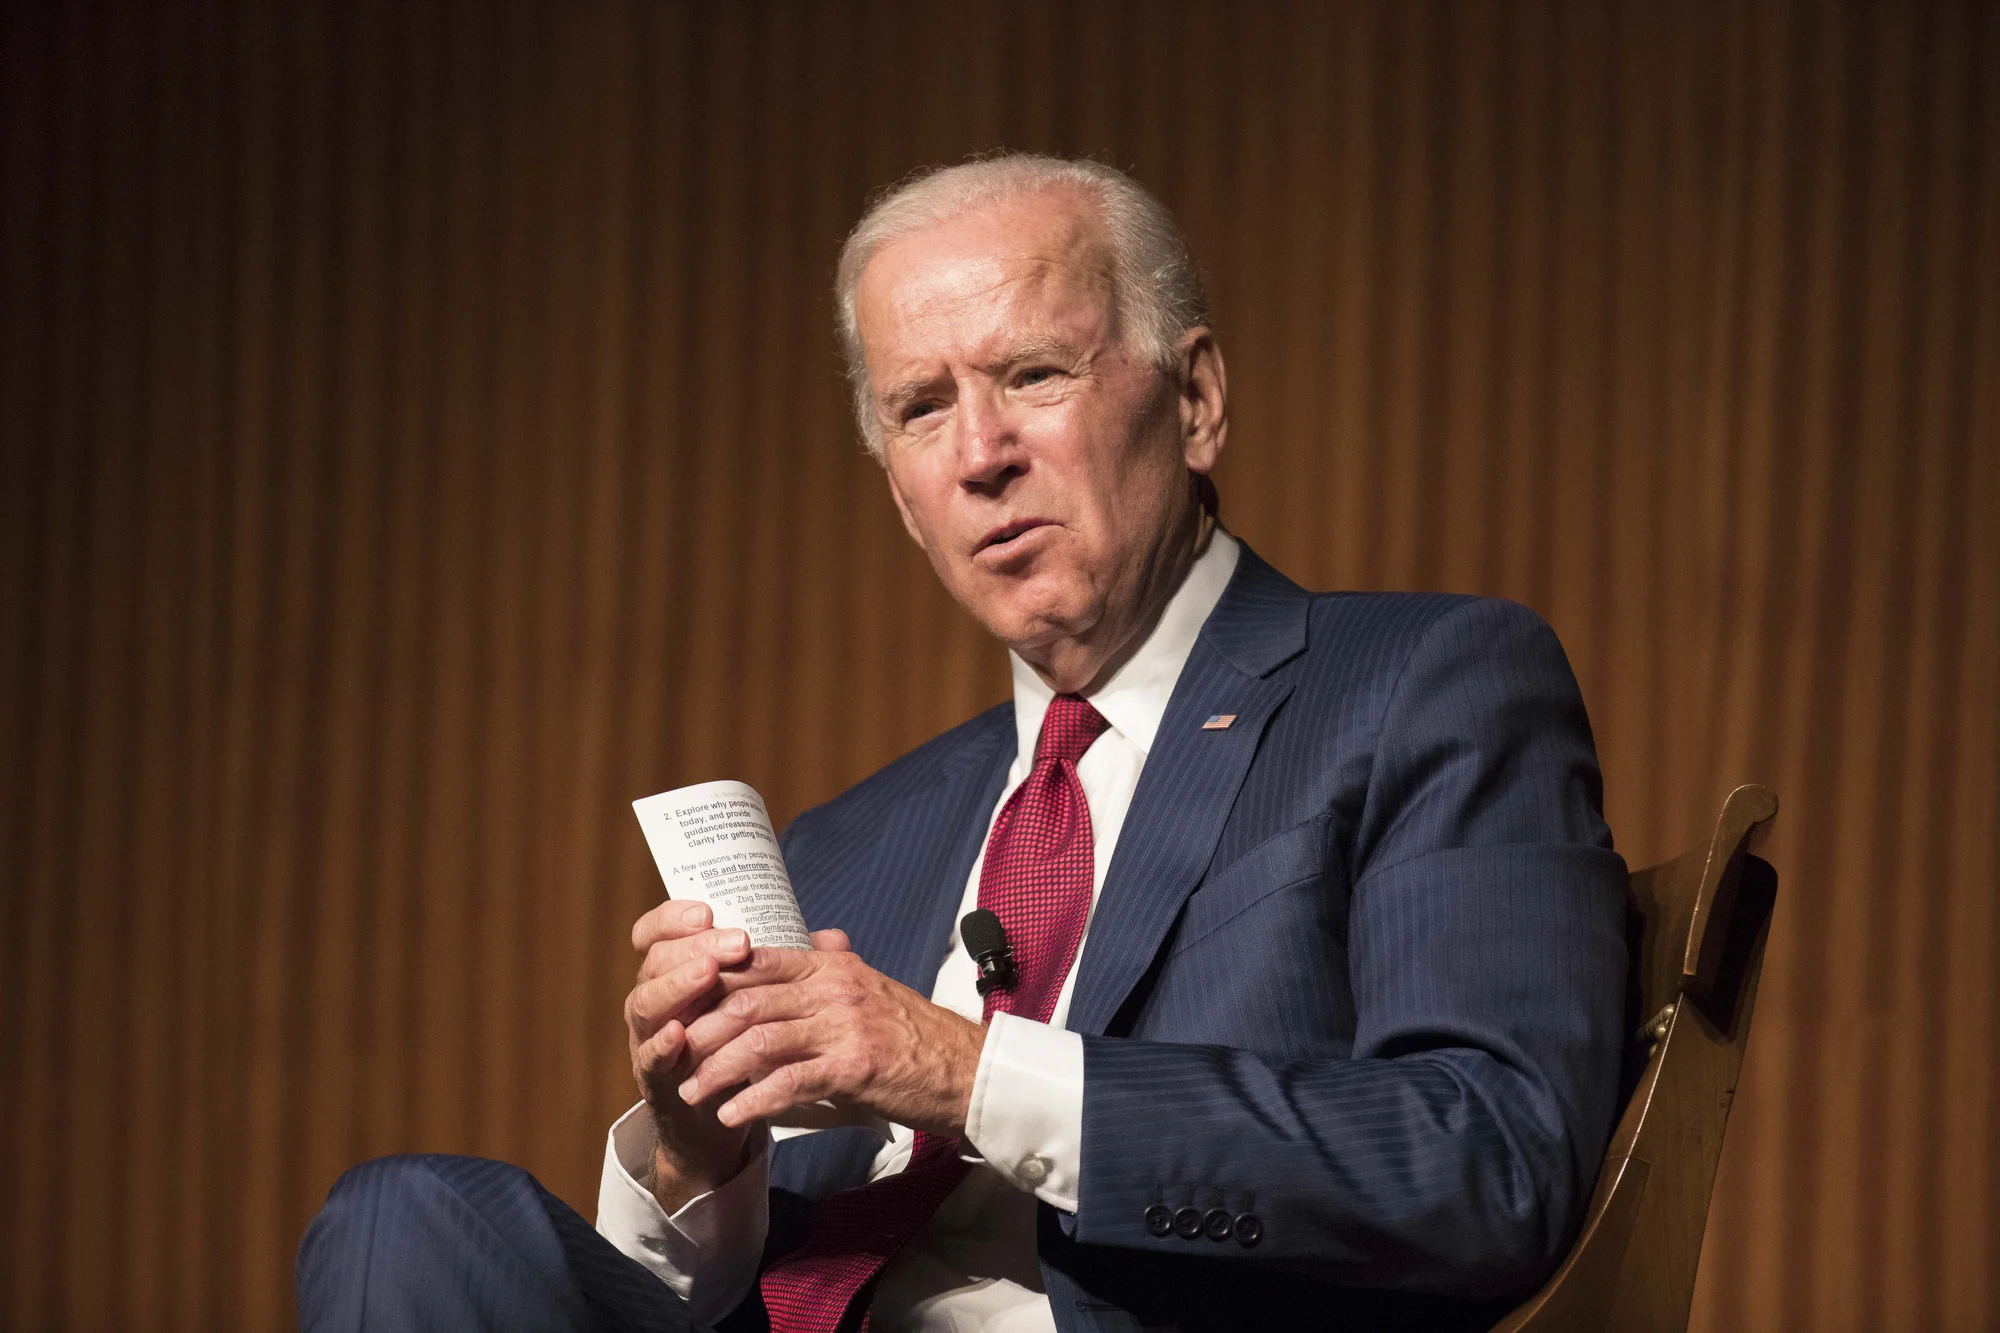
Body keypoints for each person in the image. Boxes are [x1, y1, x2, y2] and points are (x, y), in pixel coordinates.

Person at [298, 154, 1629, 1333]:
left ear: (1196, 399)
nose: (979, 454)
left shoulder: (1423, 685)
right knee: (409, 1220)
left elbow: (1492, 1162)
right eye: (921, 409)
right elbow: (734, 1297)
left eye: (1033, 375)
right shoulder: (846, 843)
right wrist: (704, 1158)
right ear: (899, 492)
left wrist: (958, 1069)